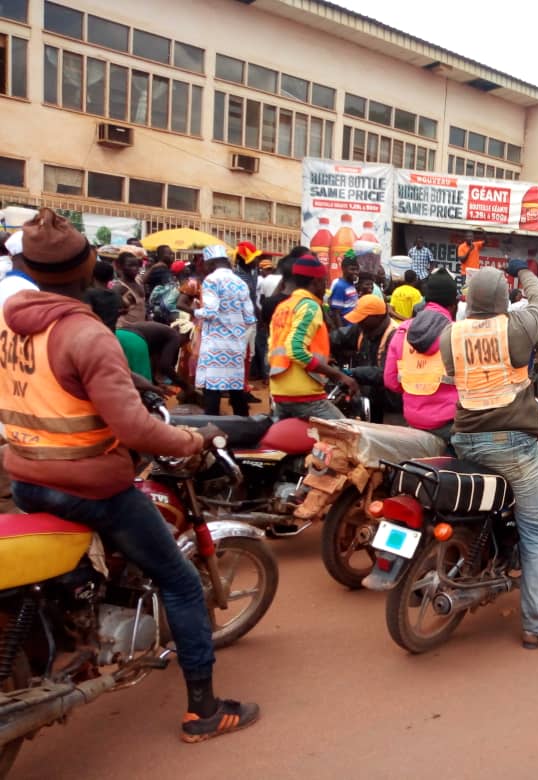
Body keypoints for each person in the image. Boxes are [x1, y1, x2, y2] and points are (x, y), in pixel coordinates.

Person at [0, 208, 257, 741]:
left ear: (22, 264)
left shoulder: (9, 321)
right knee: (182, 584)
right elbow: (135, 430)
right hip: (90, 487)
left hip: (25, 475)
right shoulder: (84, 334)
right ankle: (204, 711)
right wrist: (192, 438)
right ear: (91, 264)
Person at [438, 260, 538, 649]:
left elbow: (451, 377)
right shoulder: (516, 326)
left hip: (464, 437)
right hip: (511, 445)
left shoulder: (450, 334)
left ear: (469, 298)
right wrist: (523, 272)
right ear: (504, 298)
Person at [268, 254, 355, 421]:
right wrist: (337, 375)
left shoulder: (283, 307)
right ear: (316, 282)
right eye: (324, 282)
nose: (325, 288)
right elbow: (295, 350)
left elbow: (275, 348)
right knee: (349, 436)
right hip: (303, 394)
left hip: (280, 391)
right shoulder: (309, 306)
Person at [383, 267, 459, 440]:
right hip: (449, 425)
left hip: (412, 421)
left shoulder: (402, 330)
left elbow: (391, 381)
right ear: (454, 304)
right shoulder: (457, 334)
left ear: (426, 299)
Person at [194, 245, 255, 417]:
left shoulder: (211, 280)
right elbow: (250, 317)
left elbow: (210, 312)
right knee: (236, 387)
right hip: (236, 343)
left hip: (215, 342)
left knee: (212, 388)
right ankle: (244, 426)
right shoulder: (240, 282)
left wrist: (194, 311)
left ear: (210, 263)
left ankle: (211, 428)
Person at [335, 294, 398, 424]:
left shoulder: (394, 336)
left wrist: (352, 373)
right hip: (369, 398)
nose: (359, 322)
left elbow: (386, 374)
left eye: (362, 318)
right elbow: (337, 338)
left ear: (377, 317)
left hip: (391, 406)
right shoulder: (364, 329)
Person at [113, 251, 146, 328]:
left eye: (136, 265)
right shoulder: (119, 287)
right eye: (130, 265)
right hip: (124, 328)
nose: (135, 268)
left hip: (140, 327)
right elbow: (112, 310)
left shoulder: (139, 281)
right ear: (121, 266)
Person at [328, 252, 360, 324]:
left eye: (357, 269)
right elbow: (336, 313)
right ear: (343, 269)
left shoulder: (351, 284)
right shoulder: (340, 286)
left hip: (352, 327)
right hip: (346, 329)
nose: (355, 272)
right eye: (352, 269)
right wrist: (342, 332)